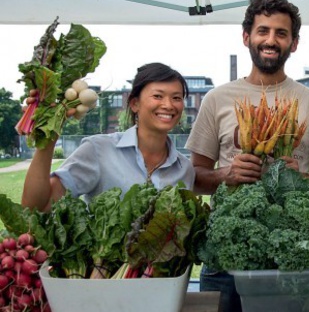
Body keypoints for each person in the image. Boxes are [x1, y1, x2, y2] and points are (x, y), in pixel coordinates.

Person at [185, 0, 309, 312]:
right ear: (246, 37)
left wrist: (301, 179)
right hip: (227, 250)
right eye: (263, 31)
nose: (270, 40)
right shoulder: (217, 99)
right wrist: (227, 175)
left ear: (293, 43)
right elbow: (194, 178)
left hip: (289, 249)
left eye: (281, 33)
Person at [22, 62, 195, 211]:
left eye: (176, 98)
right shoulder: (98, 150)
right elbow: (39, 207)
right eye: (158, 96)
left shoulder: (184, 169)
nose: (168, 105)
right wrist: (48, 138)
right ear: (135, 104)